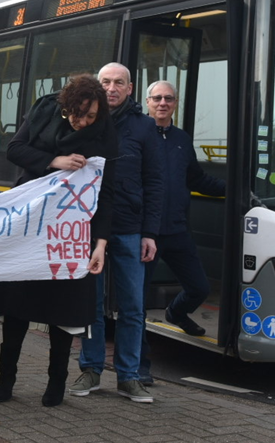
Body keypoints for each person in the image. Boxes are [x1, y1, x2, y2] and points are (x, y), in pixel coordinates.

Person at [0, 75, 116, 407]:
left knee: (63, 311)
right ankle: (5, 379)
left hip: (72, 235)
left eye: (90, 116)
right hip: (32, 227)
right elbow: (15, 149)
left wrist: (101, 243)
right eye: (77, 114)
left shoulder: (106, 133)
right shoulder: (43, 110)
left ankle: (56, 384)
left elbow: (107, 192)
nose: (83, 122)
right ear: (64, 106)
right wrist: (56, 162)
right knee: (16, 307)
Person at [70, 62, 163, 404]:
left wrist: (149, 232)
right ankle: (91, 369)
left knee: (133, 307)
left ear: (130, 88)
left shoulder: (144, 128)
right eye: (105, 82)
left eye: (118, 83)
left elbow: (155, 182)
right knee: (90, 304)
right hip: (88, 227)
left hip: (129, 229)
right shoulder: (86, 120)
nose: (111, 88)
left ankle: (128, 375)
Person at [139, 80, 226, 383]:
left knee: (199, 287)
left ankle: (176, 314)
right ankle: (139, 367)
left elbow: (197, 179)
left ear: (175, 103)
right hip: (145, 233)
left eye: (169, 99)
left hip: (176, 229)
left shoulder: (181, 139)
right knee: (137, 302)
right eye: (157, 98)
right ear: (147, 102)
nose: (162, 103)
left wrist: (234, 189)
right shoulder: (137, 135)